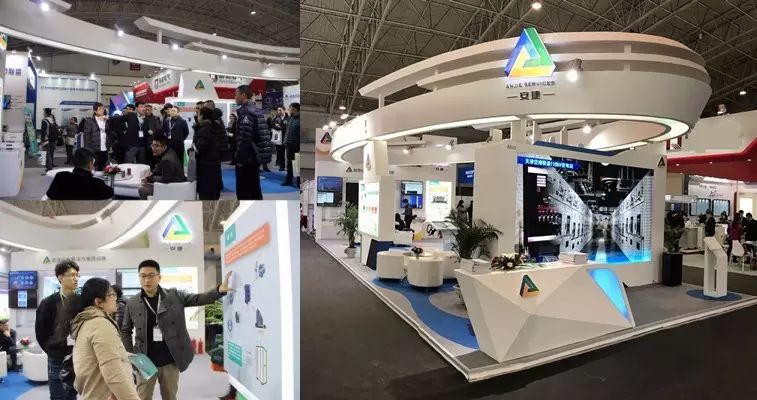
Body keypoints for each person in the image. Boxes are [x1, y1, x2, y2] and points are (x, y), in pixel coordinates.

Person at [121, 260, 233, 400]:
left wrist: (218, 291)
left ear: (159, 277)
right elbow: (126, 330)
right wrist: (132, 356)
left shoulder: (174, 296)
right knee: (142, 396)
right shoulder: (132, 302)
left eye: (151, 275)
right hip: (145, 360)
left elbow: (197, 299)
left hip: (170, 359)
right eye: (143, 276)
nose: (147, 280)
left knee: (170, 396)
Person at [57, 278, 140, 400]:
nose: (115, 298)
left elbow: (96, 356)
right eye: (111, 294)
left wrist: (123, 354)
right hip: (103, 395)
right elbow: (113, 374)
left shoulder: (88, 322)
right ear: (98, 302)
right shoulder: (100, 325)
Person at [36, 260, 80, 400]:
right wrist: (53, 350)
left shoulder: (81, 302)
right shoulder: (48, 303)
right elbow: (41, 333)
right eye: (72, 275)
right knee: (58, 396)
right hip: (57, 358)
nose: (76, 278)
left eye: (77, 275)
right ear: (61, 278)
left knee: (72, 394)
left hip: (77, 357)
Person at [234, 85, 273, 200]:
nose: (235, 97)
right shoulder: (255, 109)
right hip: (255, 155)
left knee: (244, 191)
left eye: (236, 94)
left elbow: (245, 137)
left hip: (248, 157)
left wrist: (240, 159)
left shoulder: (246, 112)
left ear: (243, 95)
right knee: (254, 188)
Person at [46, 148, 114, 200]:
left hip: (64, 214)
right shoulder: (97, 184)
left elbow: (50, 195)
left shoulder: (60, 177)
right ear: (90, 165)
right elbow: (110, 193)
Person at [193, 107, 223, 200]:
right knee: (214, 191)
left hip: (205, 165)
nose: (197, 116)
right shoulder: (215, 126)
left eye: (198, 114)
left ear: (202, 116)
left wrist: (192, 149)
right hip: (215, 162)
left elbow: (200, 148)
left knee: (206, 193)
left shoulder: (204, 129)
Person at [81, 102, 111, 171]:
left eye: (103, 109)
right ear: (95, 111)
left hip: (105, 148)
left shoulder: (106, 120)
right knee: (94, 167)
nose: (102, 110)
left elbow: (109, 133)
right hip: (94, 148)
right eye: (100, 109)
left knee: (104, 167)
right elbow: (86, 137)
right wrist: (87, 149)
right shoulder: (90, 121)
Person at [281, 103, 300, 187]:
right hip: (289, 145)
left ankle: (298, 181)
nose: (289, 110)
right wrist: (285, 140)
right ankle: (289, 180)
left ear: (295, 109)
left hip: (297, 146)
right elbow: (287, 131)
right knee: (289, 163)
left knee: (298, 164)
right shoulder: (290, 118)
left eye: (290, 108)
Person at [142, 103, 163, 168]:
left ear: (151, 110)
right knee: (144, 160)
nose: (147, 111)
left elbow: (158, 130)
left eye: (148, 110)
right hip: (142, 142)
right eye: (145, 110)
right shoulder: (142, 119)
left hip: (152, 142)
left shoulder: (155, 118)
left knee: (152, 160)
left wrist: (154, 140)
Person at [41, 108, 60, 174]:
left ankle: (49, 168)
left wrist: (42, 140)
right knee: (51, 152)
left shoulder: (45, 121)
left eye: (44, 112)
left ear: (46, 113)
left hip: (47, 139)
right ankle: (51, 164)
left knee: (47, 154)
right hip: (53, 139)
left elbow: (43, 131)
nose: (43, 113)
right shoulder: (53, 120)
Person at [271, 107, 288, 171]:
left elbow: (286, 127)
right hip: (277, 137)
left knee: (283, 152)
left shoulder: (287, 118)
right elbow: (273, 125)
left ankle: (283, 166)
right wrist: (278, 127)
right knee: (279, 152)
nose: (279, 111)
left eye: (280, 110)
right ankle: (280, 165)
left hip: (284, 137)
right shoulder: (276, 118)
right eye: (278, 110)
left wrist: (280, 127)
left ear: (284, 110)